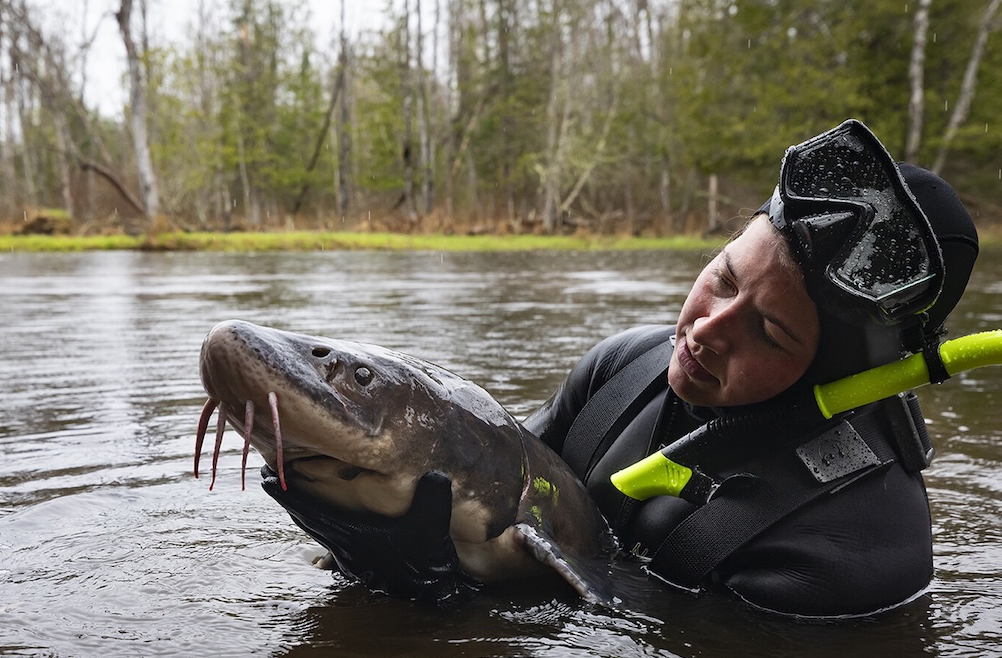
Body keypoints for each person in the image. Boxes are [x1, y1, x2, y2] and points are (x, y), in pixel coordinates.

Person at [265, 119, 980, 618]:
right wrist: (363, 534)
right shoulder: (625, 365)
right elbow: (499, 470)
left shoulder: (856, 548)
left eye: (768, 329)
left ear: (831, 371)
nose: (704, 330)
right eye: (725, 279)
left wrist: (442, 600)